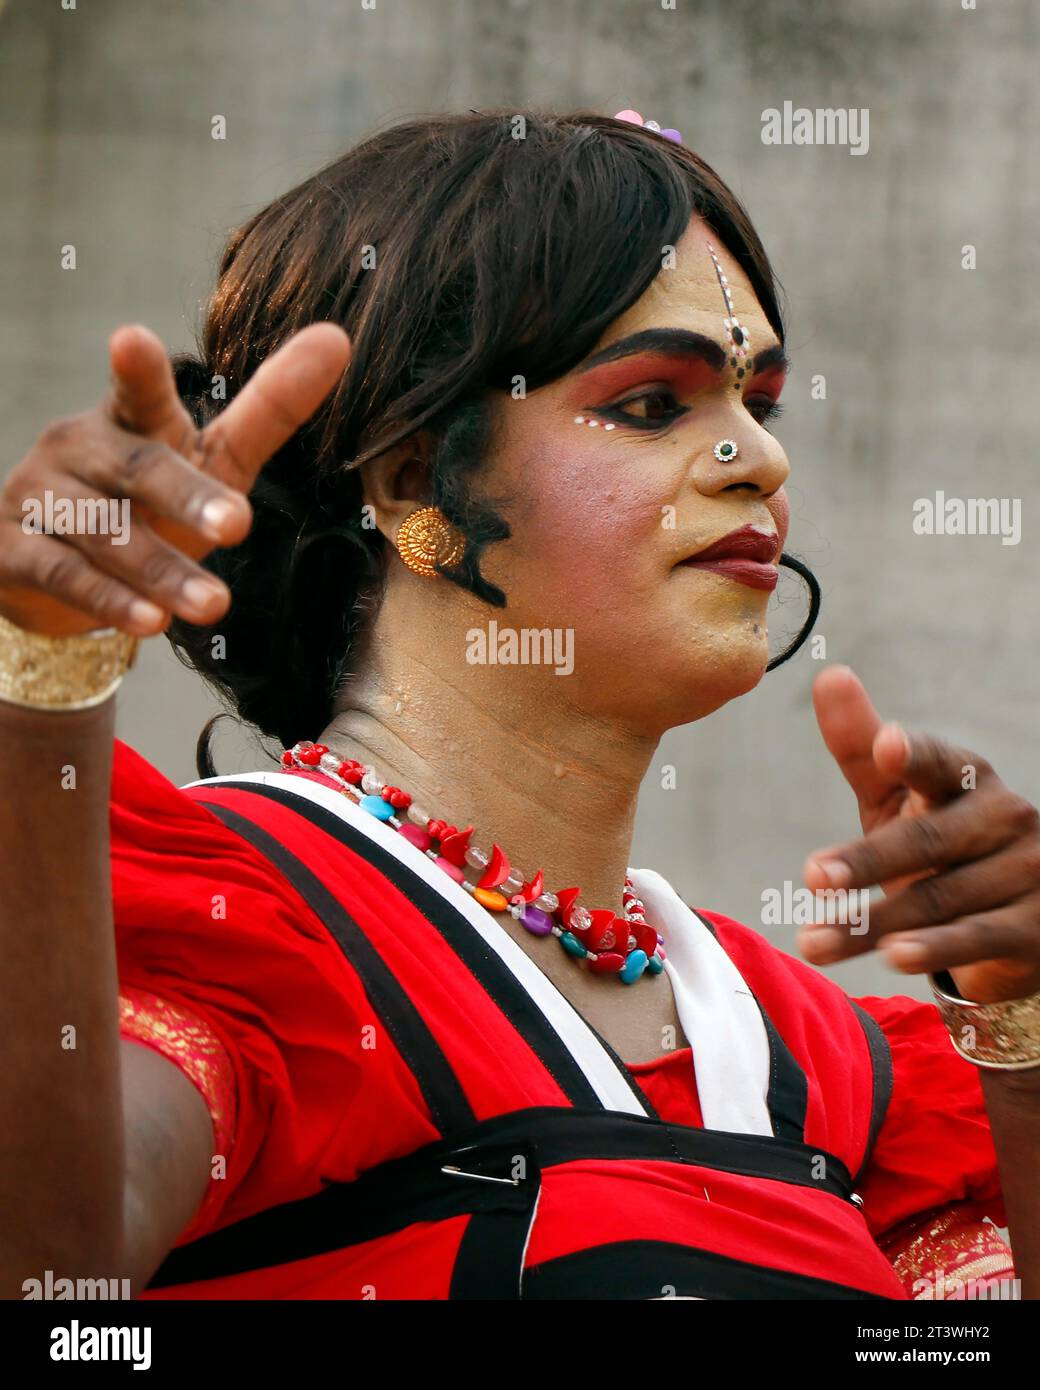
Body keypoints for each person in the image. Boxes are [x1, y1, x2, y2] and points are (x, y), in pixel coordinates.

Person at [2, 110, 1038, 1302]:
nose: (758, 457)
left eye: (761, 401)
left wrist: (1023, 1031)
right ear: (411, 486)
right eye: (654, 403)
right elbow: (52, 1277)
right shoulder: (252, 923)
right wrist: (42, 692)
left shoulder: (831, 1065)